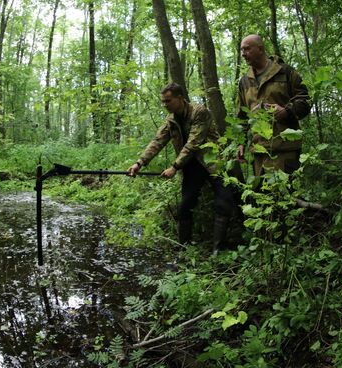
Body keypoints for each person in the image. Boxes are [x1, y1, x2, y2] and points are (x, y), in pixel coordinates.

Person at [128, 82, 236, 252]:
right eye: (163, 101)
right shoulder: (171, 120)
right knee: (185, 206)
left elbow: (194, 143)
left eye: (168, 101)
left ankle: (218, 250)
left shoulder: (200, 112)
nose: (165, 105)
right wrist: (139, 163)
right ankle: (183, 248)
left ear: (180, 98)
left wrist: (174, 166)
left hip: (213, 162)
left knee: (224, 202)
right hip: (191, 166)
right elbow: (157, 142)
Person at [236, 34, 311, 177]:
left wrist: (286, 112)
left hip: (285, 149)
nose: (243, 54)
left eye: (247, 49)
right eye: (241, 50)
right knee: (262, 197)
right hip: (259, 152)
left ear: (260, 49)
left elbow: (305, 101)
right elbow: (241, 116)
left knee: (287, 196)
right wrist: (241, 143)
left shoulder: (285, 72)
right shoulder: (244, 82)